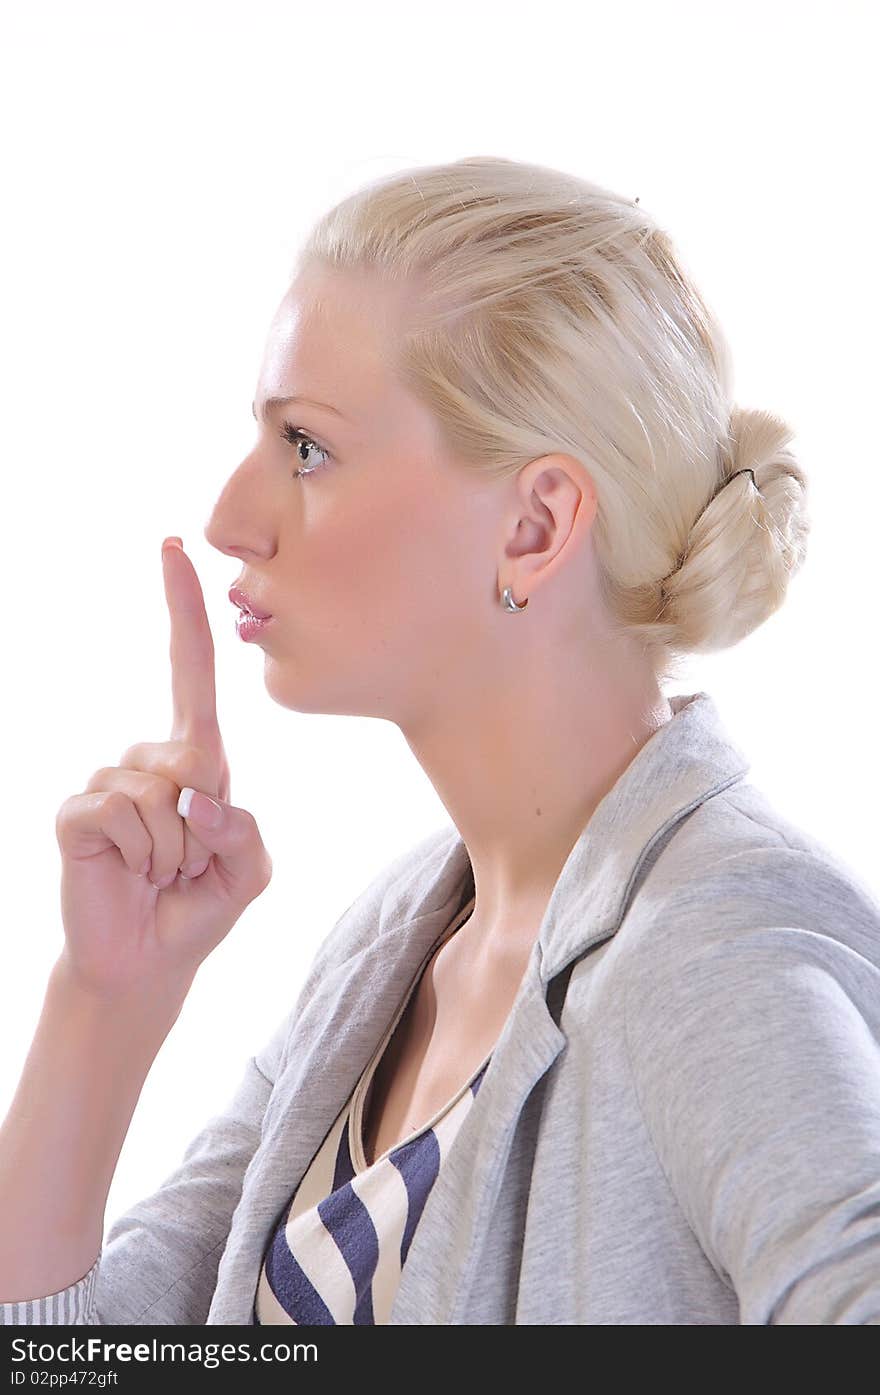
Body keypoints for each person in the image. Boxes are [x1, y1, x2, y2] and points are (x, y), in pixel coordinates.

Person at [2, 156, 878, 1326]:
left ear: (534, 526)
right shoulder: (396, 943)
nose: (229, 515)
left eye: (305, 447)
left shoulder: (720, 953)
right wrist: (106, 1001)